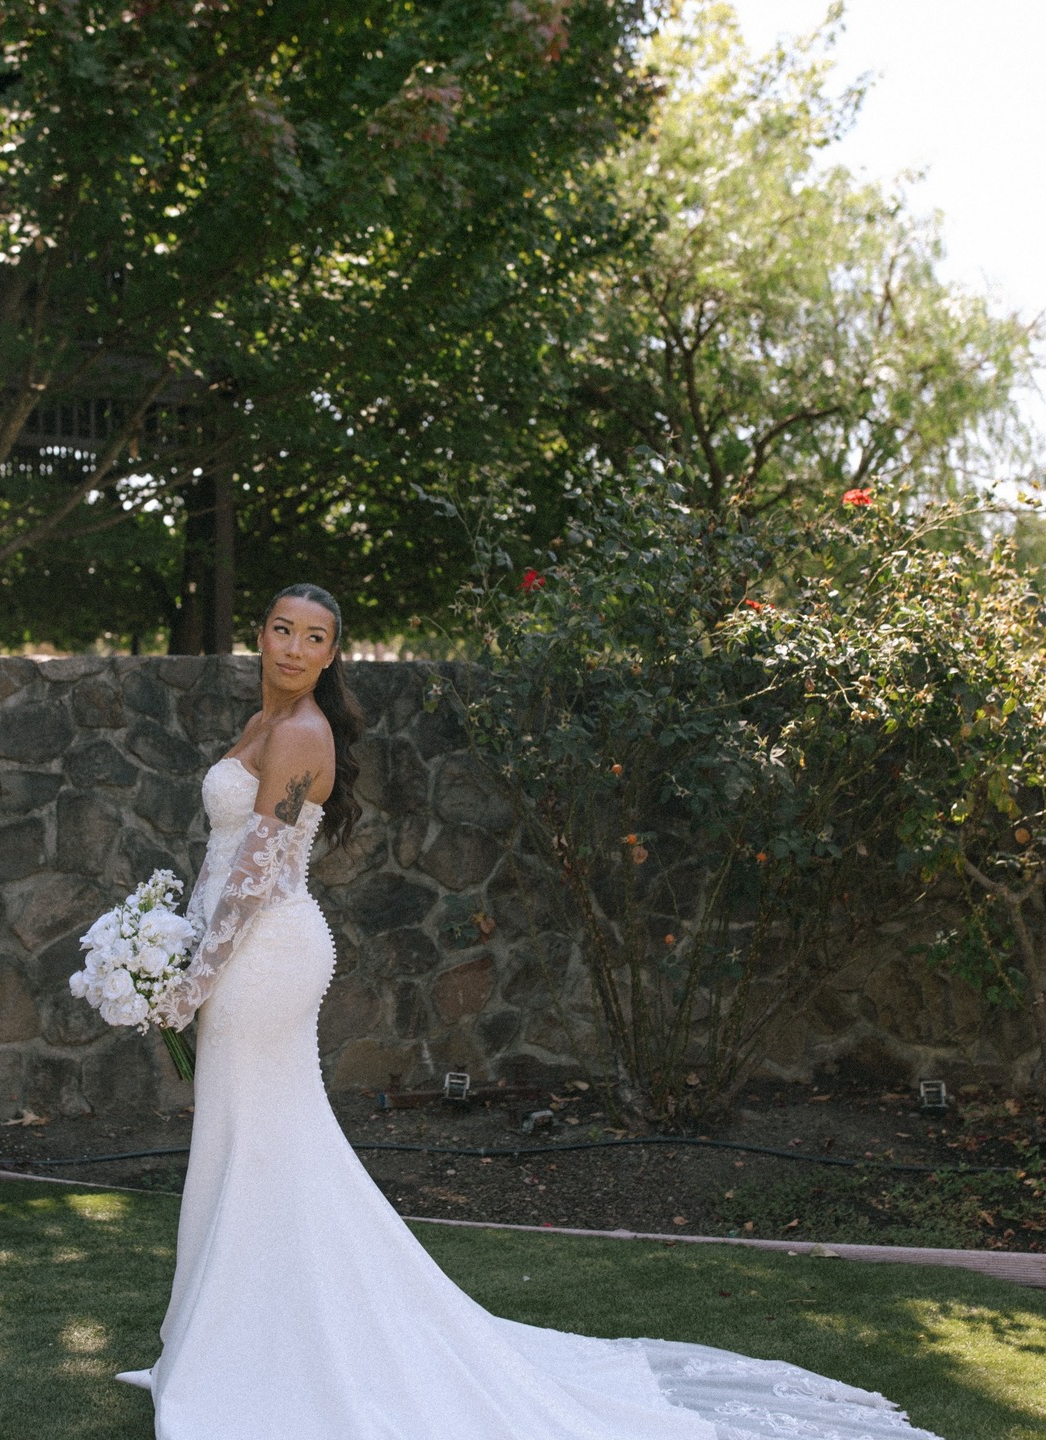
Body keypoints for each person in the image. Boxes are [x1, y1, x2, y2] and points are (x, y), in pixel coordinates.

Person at [116, 582, 943, 1440]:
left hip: (261, 959)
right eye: (281, 629)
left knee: (261, 1142)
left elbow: (257, 874)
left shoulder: (299, 733)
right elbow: (222, 863)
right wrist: (169, 947)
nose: (292, 648)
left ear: (332, 656)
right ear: (262, 635)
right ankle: (235, 1344)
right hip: (227, 950)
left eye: (313, 637)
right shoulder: (260, 725)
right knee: (246, 1142)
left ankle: (260, 1354)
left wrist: (191, 979)